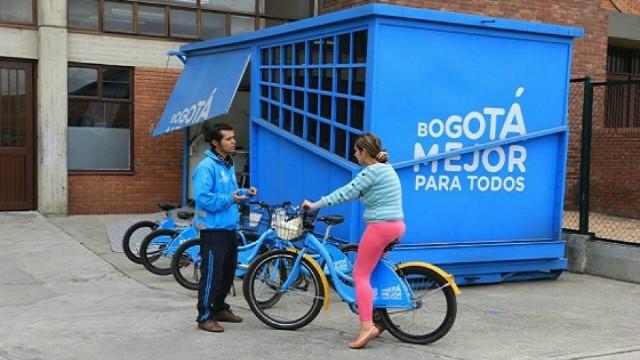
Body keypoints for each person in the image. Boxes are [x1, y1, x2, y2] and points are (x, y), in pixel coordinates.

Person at [302, 133, 405, 349]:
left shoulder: (372, 171)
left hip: (380, 227)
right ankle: (378, 317)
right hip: (395, 225)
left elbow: (345, 193)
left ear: (364, 152)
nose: (354, 154)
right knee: (371, 270)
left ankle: (367, 327)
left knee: (360, 274)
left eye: (356, 151)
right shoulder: (386, 168)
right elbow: (368, 194)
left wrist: (315, 205)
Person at [192, 122, 257, 333]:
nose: (234, 141)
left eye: (233, 137)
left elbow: (231, 193)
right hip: (212, 229)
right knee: (212, 274)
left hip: (229, 228)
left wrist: (245, 192)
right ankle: (204, 316)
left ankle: (219, 308)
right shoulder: (206, 167)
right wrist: (231, 198)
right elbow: (203, 198)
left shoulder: (226, 165)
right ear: (215, 142)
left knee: (227, 273)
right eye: (228, 139)